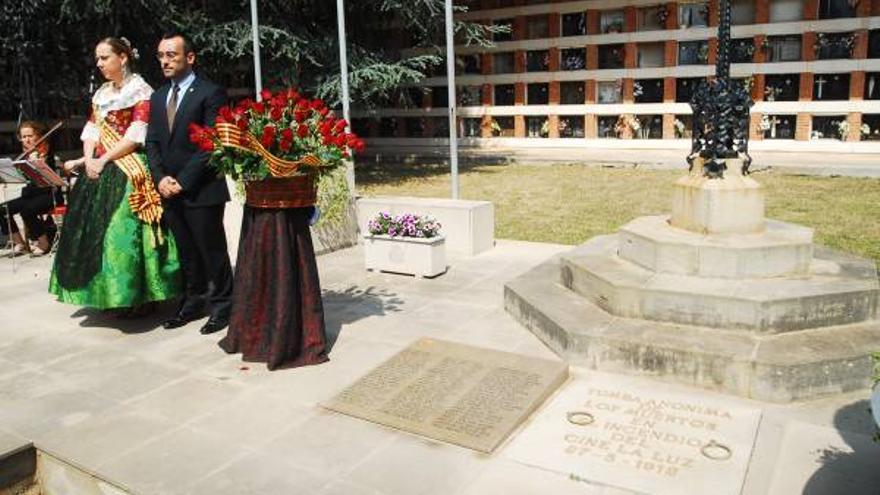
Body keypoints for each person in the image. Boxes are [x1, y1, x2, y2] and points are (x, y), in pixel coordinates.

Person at [49, 37, 181, 314]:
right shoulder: (102, 94)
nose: (99, 64)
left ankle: (138, 293)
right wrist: (90, 161)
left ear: (123, 58)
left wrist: (103, 159)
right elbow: (92, 129)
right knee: (93, 229)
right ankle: (108, 293)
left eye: (104, 57)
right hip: (99, 165)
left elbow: (136, 134)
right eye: (97, 59)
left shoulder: (141, 90)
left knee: (122, 229)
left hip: (127, 163)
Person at [145, 32, 233, 335]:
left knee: (211, 250)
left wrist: (182, 181)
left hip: (202, 188)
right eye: (160, 55)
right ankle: (193, 301)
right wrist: (160, 179)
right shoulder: (157, 97)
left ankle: (223, 305)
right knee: (185, 251)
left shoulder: (211, 92)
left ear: (190, 57)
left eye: (171, 54)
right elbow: (152, 143)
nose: (165, 61)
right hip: (168, 189)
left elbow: (211, 143)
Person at [1, 121, 64, 256]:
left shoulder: (48, 152)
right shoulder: (24, 155)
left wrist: (38, 163)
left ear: (38, 136)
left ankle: (43, 242)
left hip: (49, 195)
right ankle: (19, 243)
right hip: (31, 194)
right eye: (23, 137)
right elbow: (21, 177)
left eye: (30, 136)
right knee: (3, 209)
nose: (26, 140)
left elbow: (53, 176)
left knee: (27, 210)